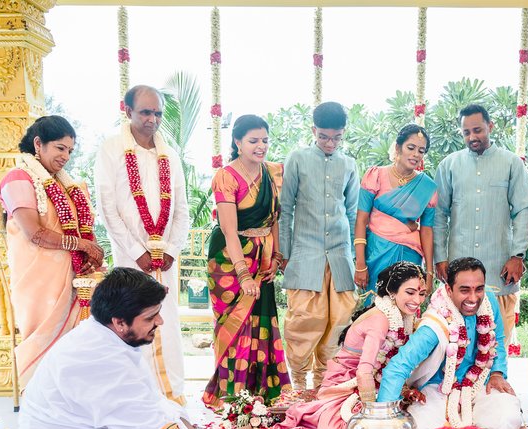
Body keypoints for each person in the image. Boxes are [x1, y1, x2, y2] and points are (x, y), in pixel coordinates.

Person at [11, 268, 256, 429]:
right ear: (119, 322)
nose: (160, 322)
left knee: (182, 424)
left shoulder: (102, 335)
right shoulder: (102, 359)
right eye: (151, 317)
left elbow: (149, 399)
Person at [96, 85, 190, 405]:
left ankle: (172, 395)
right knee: (131, 322)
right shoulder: (111, 150)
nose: (153, 119)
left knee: (167, 322)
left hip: (164, 259)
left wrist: (171, 251)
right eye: (146, 112)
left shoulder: (171, 155)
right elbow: (108, 208)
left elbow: (182, 211)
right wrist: (137, 253)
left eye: (158, 113)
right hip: (129, 257)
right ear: (128, 112)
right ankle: (136, 398)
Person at [0, 115, 104, 385]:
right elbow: (34, 232)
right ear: (38, 144)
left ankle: (74, 398)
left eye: (70, 150)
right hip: (38, 278)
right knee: (47, 337)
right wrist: (82, 245)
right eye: (60, 147)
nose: (66, 156)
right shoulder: (18, 178)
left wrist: (88, 254)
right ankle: (42, 399)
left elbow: (79, 228)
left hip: (72, 274)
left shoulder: (66, 185)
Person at [279, 262, 428, 429]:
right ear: (392, 292)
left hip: (371, 381)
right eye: (410, 292)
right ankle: (309, 414)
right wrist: (371, 419)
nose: (418, 300)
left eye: (421, 294)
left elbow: (391, 362)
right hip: (346, 381)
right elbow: (364, 373)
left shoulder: (404, 317)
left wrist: (405, 390)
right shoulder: (380, 320)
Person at [377, 257, 522, 429]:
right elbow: (398, 367)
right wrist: (382, 420)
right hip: (439, 388)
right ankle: (461, 423)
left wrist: (497, 373)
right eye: (464, 290)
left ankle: (467, 420)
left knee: (506, 419)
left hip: (479, 382)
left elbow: (497, 338)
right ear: (448, 289)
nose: (473, 297)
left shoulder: (489, 302)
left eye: (479, 289)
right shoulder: (435, 324)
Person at [203, 115, 291, 409]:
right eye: (253, 141)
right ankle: (232, 394)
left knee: (262, 322)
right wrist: (243, 275)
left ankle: (264, 393)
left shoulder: (274, 172)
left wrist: (276, 257)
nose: (261, 146)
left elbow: (275, 218)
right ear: (238, 142)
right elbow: (229, 229)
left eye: (265, 140)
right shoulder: (226, 176)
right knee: (235, 324)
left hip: (263, 256)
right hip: (230, 259)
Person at [433, 104, 528, 343]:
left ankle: (495, 380)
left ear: (490, 126)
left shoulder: (511, 163)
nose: (472, 137)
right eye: (466, 132)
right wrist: (440, 258)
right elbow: (438, 215)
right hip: (457, 267)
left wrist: (517, 255)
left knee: (497, 340)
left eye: (477, 130)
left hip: (499, 266)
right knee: (453, 341)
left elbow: (524, 210)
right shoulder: (449, 165)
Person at [280, 102, 360, 389]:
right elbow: (285, 209)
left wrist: (353, 256)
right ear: (313, 130)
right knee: (305, 320)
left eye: (336, 137)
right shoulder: (298, 159)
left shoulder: (349, 164)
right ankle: (298, 386)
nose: (330, 143)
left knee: (338, 321)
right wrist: (285, 253)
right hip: (305, 253)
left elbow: (351, 213)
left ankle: (323, 387)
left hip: (340, 255)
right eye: (324, 136)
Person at [354, 125, 436, 305]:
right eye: (411, 148)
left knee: (405, 308)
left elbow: (427, 230)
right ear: (398, 148)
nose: (416, 154)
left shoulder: (427, 187)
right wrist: (360, 264)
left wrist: (429, 272)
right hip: (377, 251)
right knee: (375, 307)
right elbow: (361, 220)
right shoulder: (375, 175)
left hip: (410, 255)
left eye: (421, 151)